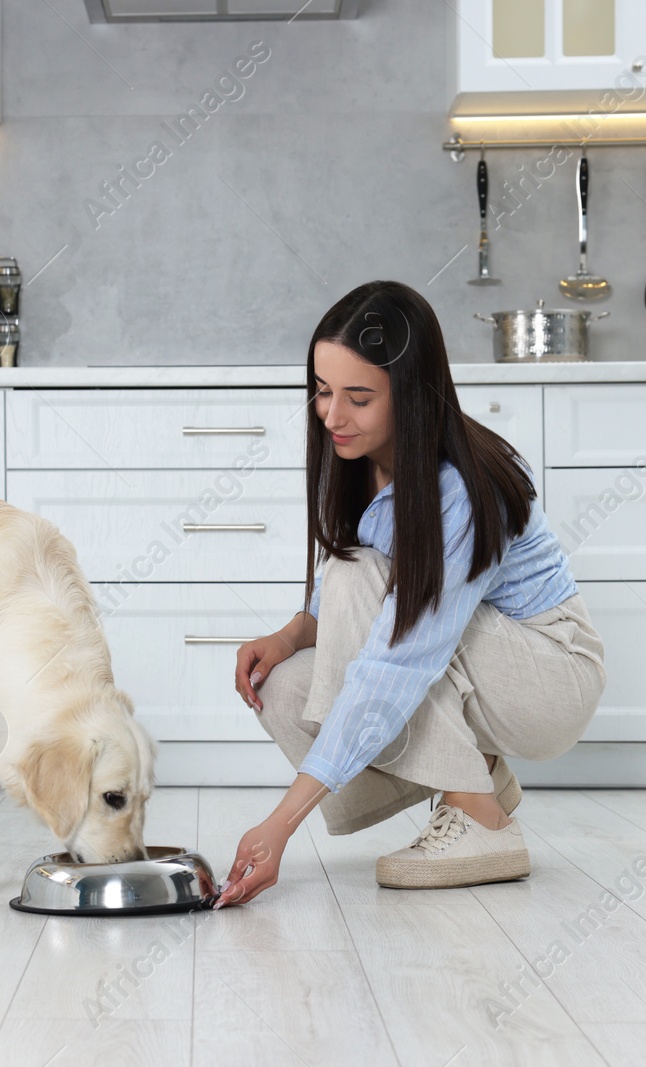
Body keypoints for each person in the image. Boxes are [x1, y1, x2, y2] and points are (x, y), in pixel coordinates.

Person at [214, 280, 606, 906]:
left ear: (413, 393)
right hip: (464, 657)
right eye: (322, 391)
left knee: (371, 627)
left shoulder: (465, 489)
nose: (332, 416)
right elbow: (349, 601)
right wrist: (288, 636)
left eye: (359, 397)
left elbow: (397, 658)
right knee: (285, 686)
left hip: (550, 676)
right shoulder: (360, 458)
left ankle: (481, 819)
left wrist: (279, 825)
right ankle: (477, 781)